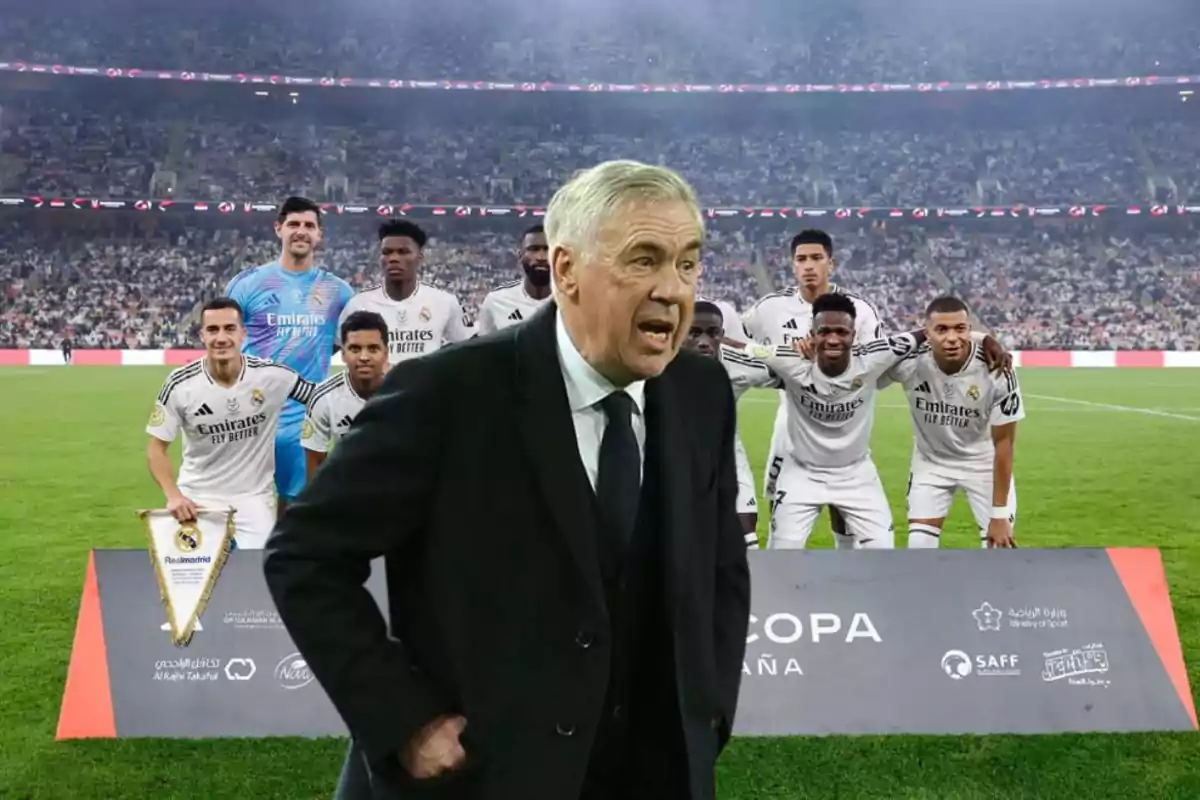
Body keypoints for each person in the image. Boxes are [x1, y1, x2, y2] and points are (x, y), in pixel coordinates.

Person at [265, 160, 750, 800]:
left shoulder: (701, 392)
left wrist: (709, 707)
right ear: (567, 269)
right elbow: (305, 556)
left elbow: (719, 564)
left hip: (654, 768)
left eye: (688, 262)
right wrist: (404, 720)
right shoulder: (449, 393)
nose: (674, 289)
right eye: (644, 260)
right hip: (489, 773)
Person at [726, 292, 917, 550]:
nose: (833, 339)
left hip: (856, 474)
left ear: (853, 334)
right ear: (812, 334)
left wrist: (981, 338)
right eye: (824, 331)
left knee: (883, 552)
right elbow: (740, 347)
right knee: (781, 557)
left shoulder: (876, 355)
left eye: (841, 332)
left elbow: (926, 333)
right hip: (801, 474)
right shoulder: (787, 358)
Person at [741, 229, 881, 549]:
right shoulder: (769, 310)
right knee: (782, 502)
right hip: (789, 421)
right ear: (792, 265)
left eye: (816, 258)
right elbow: (740, 339)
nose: (808, 266)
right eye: (801, 259)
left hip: (843, 420)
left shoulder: (859, 310)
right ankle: (781, 567)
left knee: (842, 500)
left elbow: (875, 361)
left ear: (830, 263)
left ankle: (843, 558)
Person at [145, 298, 316, 550]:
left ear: (243, 333)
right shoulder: (180, 384)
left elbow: (322, 398)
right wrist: (173, 496)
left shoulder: (273, 376)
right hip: (196, 496)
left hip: (253, 498)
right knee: (192, 582)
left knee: (258, 578)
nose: (221, 338)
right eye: (213, 330)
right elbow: (155, 449)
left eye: (229, 328)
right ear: (202, 335)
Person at [224, 196, 354, 517]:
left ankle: (284, 565)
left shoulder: (338, 291)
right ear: (278, 228)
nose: (301, 231)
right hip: (250, 416)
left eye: (309, 225)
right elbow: (224, 345)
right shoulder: (247, 284)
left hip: (305, 420)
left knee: (297, 506)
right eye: (294, 224)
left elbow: (346, 342)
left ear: (319, 235)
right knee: (239, 509)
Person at [879, 296, 1024, 549]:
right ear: (927, 333)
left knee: (1000, 549)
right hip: (931, 464)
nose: (952, 338)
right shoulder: (910, 362)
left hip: (983, 464)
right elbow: (871, 363)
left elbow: (1004, 443)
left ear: (970, 329)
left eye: (960, 328)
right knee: (919, 547)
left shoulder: (997, 367)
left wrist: (999, 515)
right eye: (941, 330)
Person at [683, 300, 773, 545]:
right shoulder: (658, 363)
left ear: (722, 335)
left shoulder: (738, 364)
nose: (703, 341)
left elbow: (782, 370)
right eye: (694, 332)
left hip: (728, 459)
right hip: (678, 462)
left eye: (712, 333)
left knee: (747, 536)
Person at [337, 219, 470, 364]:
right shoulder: (359, 305)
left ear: (419, 259)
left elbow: (465, 350)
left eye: (403, 252)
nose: (393, 258)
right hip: (380, 387)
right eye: (387, 252)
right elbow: (342, 348)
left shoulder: (444, 302)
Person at [301, 311, 389, 479]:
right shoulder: (323, 397)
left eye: (373, 349)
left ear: (385, 353)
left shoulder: (404, 394)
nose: (364, 357)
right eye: (355, 349)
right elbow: (315, 466)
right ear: (342, 354)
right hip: (346, 493)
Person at [473, 224, 553, 335]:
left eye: (547, 249)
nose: (541, 257)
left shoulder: (573, 301)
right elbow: (484, 349)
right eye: (533, 249)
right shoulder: (497, 301)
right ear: (520, 255)